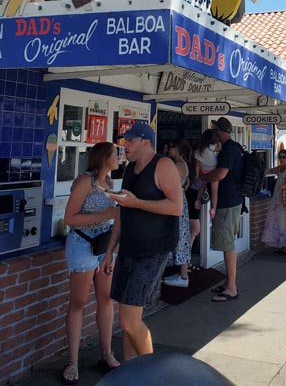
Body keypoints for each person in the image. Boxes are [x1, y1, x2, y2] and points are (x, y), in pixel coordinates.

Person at [102, 122, 183, 361]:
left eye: (130, 141)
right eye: (125, 141)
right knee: (128, 322)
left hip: (153, 250)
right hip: (128, 249)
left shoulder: (163, 165)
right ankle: (131, 372)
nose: (124, 146)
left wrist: (137, 203)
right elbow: (121, 212)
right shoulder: (130, 169)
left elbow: (176, 207)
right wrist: (110, 251)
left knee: (128, 321)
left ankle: (153, 374)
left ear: (145, 142)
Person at [62, 142, 121, 384]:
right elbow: (69, 218)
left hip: (103, 246)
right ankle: (73, 361)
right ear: (103, 157)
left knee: (105, 299)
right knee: (78, 301)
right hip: (82, 244)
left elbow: (113, 220)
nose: (120, 157)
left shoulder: (109, 183)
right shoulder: (84, 181)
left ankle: (106, 353)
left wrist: (111, 250)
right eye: (116, 154)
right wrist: (105, 215)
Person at [200, 117, 243, 302]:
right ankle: (228, 283)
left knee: (228, 245)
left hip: (228, 202)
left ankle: (231, 287)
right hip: (231, 201)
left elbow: (220, 174)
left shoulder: (229, 149)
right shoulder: (233, 148)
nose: (214, 133)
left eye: (215, 130)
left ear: (220, 131)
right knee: (228, 244)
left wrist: (202, 177)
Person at [163, 139, 192, 288]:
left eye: (172, 146)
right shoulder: (182, 164)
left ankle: (183, 275)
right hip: (180, 201)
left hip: (175, 202)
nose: (168, 148)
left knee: (180, 238)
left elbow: (165, 182)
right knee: (181, 237)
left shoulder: (177, 165)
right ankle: (182, 273)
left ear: (179, 150)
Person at [194, 129, 221, 220]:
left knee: (202, 186)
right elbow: (220, 148)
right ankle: (213, 209)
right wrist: (218, 142)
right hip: (213, 171)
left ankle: (197, 201)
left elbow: (197, 164)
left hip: (204, 171)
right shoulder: (211, 146)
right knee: (214, 192)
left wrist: (197, 175)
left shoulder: (199, 150)